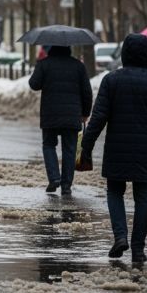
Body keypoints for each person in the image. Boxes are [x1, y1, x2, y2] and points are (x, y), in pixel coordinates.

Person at [80, 33, 147, 263]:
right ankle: (138, 249)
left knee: (115, 192)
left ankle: (120, 236)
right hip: (146, 152)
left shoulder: (111, 81)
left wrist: (87, 145)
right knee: (142, 197)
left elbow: (98, 118)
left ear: (124, 54)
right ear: (146, 55)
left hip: (117, 150)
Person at [28, 45, 92, 195]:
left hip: (50, 114)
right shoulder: (78, 66)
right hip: (72, 115)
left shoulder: (44, 64)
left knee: (49, 145)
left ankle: (54, 177)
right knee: (69, 150)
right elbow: (87, 92)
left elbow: (34, 84)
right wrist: (85, 113)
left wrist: (40, 68)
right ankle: (66, 185)